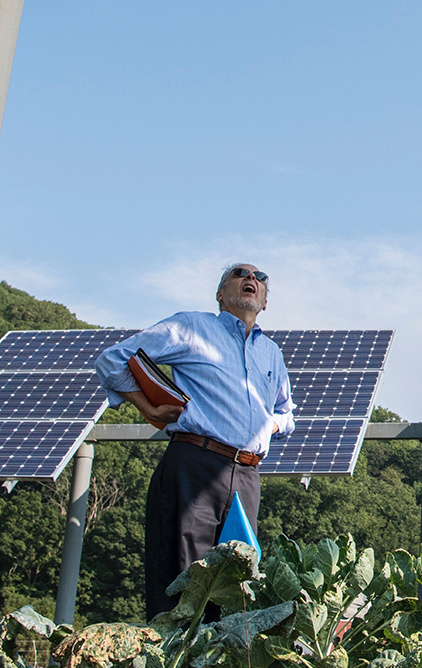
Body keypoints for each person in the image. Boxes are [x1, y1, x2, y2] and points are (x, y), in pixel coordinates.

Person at [95, 263, 293, 617]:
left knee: (237, 589)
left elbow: (286, 414)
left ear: (265, 302)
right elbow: (113, 359)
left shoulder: (272, 354)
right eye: (239, 273)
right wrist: (147, 408)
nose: (251, 279)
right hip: (195, 464)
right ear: (220, 295)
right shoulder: (191, 327)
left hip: (247, 477)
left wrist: (269, 425)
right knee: (184, 584)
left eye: (260, 278)